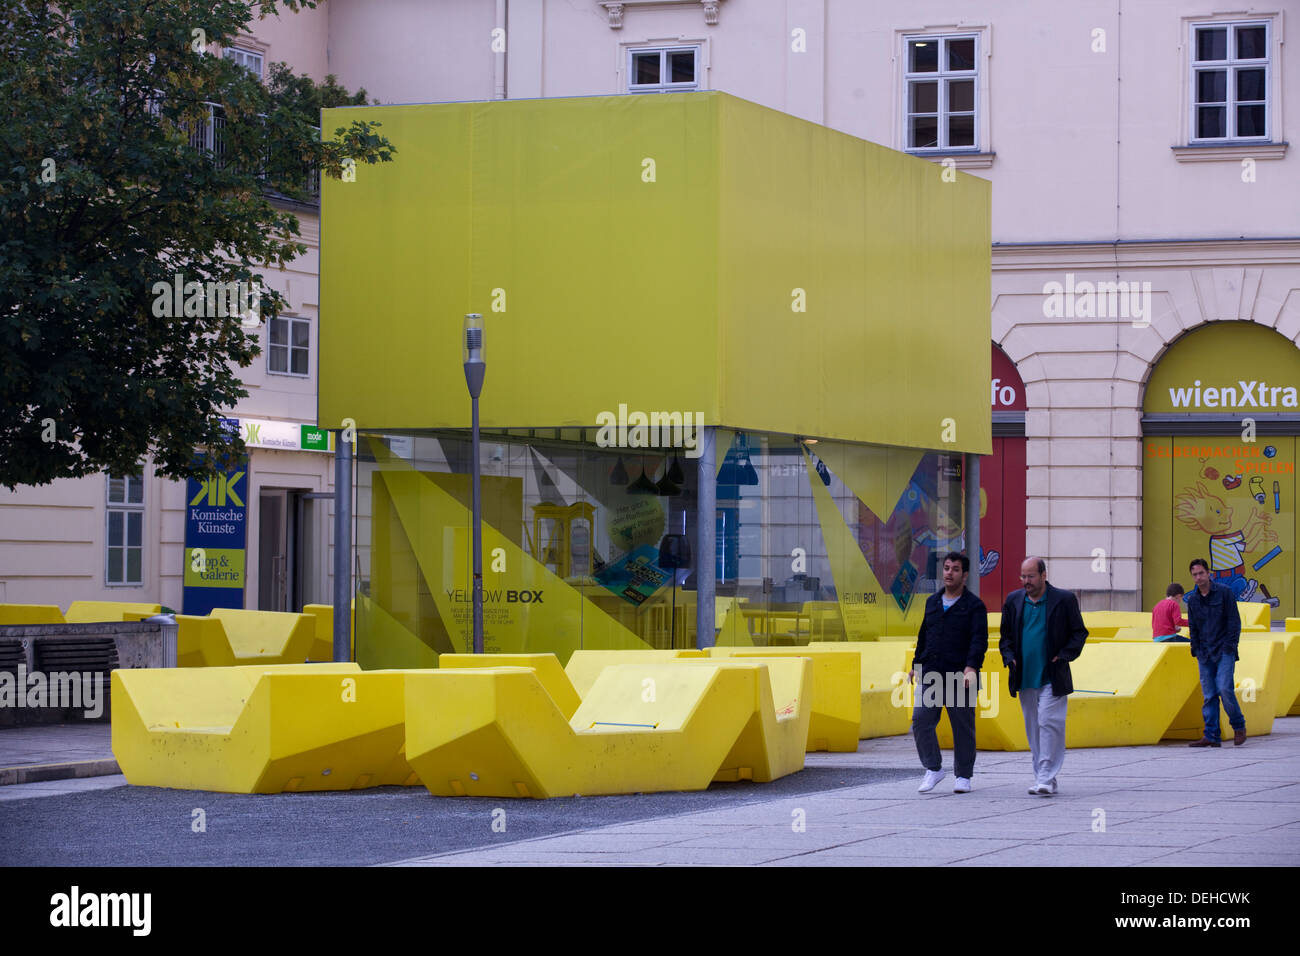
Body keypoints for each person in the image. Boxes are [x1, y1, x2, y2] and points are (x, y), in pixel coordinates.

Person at [999, 557, 1088, 796]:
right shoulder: (1014, 600)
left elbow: (1079, 633)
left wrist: (1064, 656)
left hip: (1052, 675)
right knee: (1033, 729)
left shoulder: (1064, 600)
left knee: (1049, 722)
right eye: (1023, 576)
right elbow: (1005, 636)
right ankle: (1043, 774)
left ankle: (1046, 776)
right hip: (1024, 675)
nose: (1026, 581)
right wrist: (1009, 658)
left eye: (1030, 576)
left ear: (1043, 575)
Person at [909, 551, 988, 794]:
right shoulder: (932, 602)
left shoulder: (974, 606)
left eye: (955, 569)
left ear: (964, 575)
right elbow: (924, 635)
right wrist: (915, 665)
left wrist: (971, 667)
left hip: (961, 676)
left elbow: (978, 639)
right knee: (920, 721)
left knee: (962, 727)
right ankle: (933, 768)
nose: (949, 573)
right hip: (931, 673)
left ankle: (963, 775)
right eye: (946, 568)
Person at [1184, 558, 1246, 747]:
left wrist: (1230, 646)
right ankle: (1211, 735)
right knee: (1209, 694)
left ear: (1208, 573)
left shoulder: (1225, 593)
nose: (1198, 577)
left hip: (1224, 650)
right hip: (1204, 652)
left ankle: (1238, 725)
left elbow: (1234, 622)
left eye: (1201, 573)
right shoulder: (1193, 599)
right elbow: (1193, 626)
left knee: (1224, 689)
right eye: (1194, 574)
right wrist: (1196, 649)